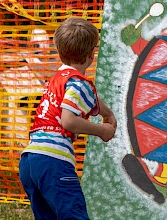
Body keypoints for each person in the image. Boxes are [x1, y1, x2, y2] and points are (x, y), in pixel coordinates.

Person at [19, 17, 117, 219]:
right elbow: (69, 120)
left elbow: (88, 98)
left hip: (30, 161)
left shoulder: (58, 78)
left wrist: (106, 113)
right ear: (92, 54)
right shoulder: (79, 84)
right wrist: (102, 131)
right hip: (53, 162)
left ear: (59, 50)